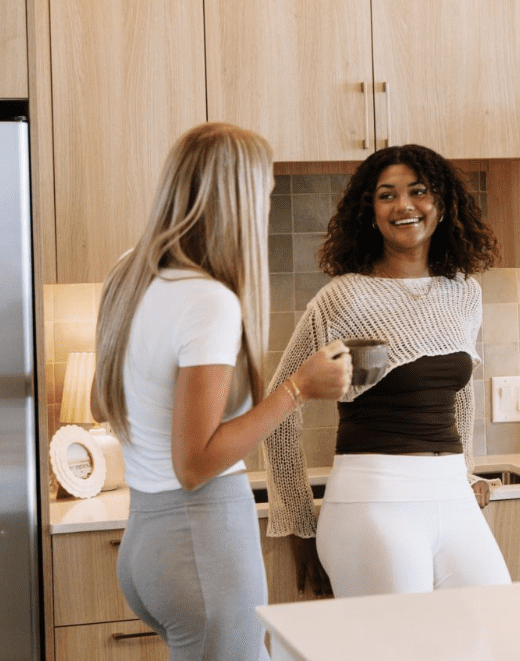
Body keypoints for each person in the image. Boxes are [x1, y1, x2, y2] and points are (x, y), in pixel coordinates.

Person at [91, 122, 349, 661]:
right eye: (265, 193)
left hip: (147, 545)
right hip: (202, 546)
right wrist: (299, 388)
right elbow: (196, 462)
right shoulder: (209, 300)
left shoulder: (129, 274)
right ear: (239, 198)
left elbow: (114, 406)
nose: (266, 206)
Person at [264, 144, 511, 597]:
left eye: (418, 191)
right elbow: (279, 408)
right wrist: (298, 525)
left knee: (493, 634)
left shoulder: (464, 293)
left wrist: (466, 472)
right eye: (386, 195)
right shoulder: (344, 297)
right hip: (373, 502)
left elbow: (458, 394)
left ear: (442, 204)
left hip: (452, 499)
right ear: (370, 212)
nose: (404, 206)